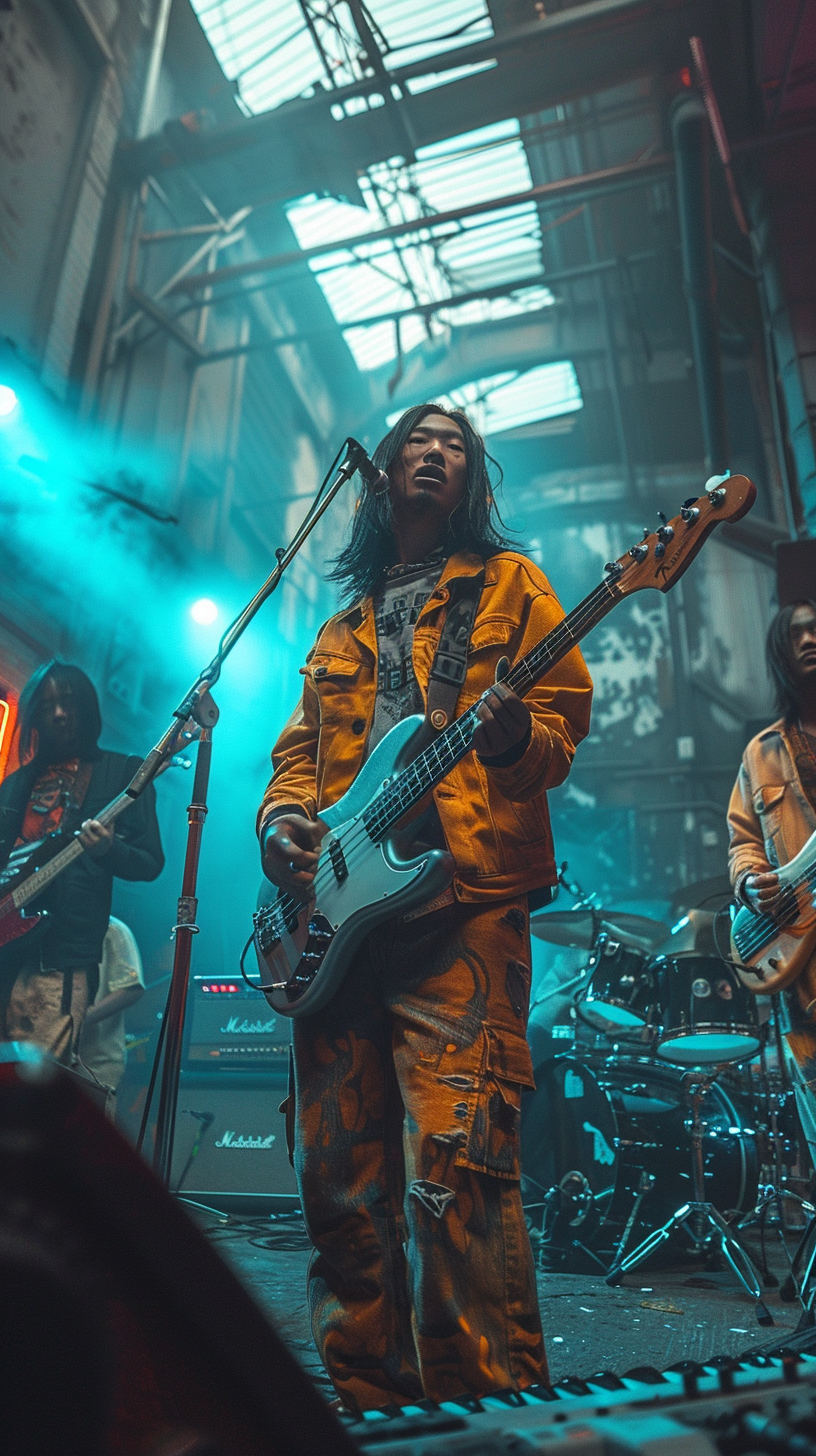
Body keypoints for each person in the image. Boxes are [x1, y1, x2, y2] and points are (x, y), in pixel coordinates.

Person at [257, 403, 593, 1413]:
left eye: (459, 445)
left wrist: (503, 742)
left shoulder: (512, 587)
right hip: (335, 931)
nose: (438, 452)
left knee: (458, 1185)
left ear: (473, 482)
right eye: (420, 439)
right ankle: (370, 1410)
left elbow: (558, 736)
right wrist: (280, 826)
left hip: (464, 912)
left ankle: (485, 1422)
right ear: (385, 470)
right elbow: (294, 763)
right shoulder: (339, 628)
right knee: (341, 1192)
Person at [0, 662, 163, 1064]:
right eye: (47, 704)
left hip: (57, 958)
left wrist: (108, 849)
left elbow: (150, 862)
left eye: (68, 702)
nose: (58, 713)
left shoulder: (121, 774)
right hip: (5, 949)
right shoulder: (15, 784)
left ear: (87, 707)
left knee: (32, 1091)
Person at [727, 599, 816, 1156]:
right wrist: (751, 882)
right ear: (780, 655)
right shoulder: (761, 754)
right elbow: (743, 844)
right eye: (798, 635)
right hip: (801, 980)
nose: (810, 640)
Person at [79, 916, 145, 1116]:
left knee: (88, 1139)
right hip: (45, 1058)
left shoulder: (112, 929)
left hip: (96, 1061)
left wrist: (76, 1022)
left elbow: (132, 988)